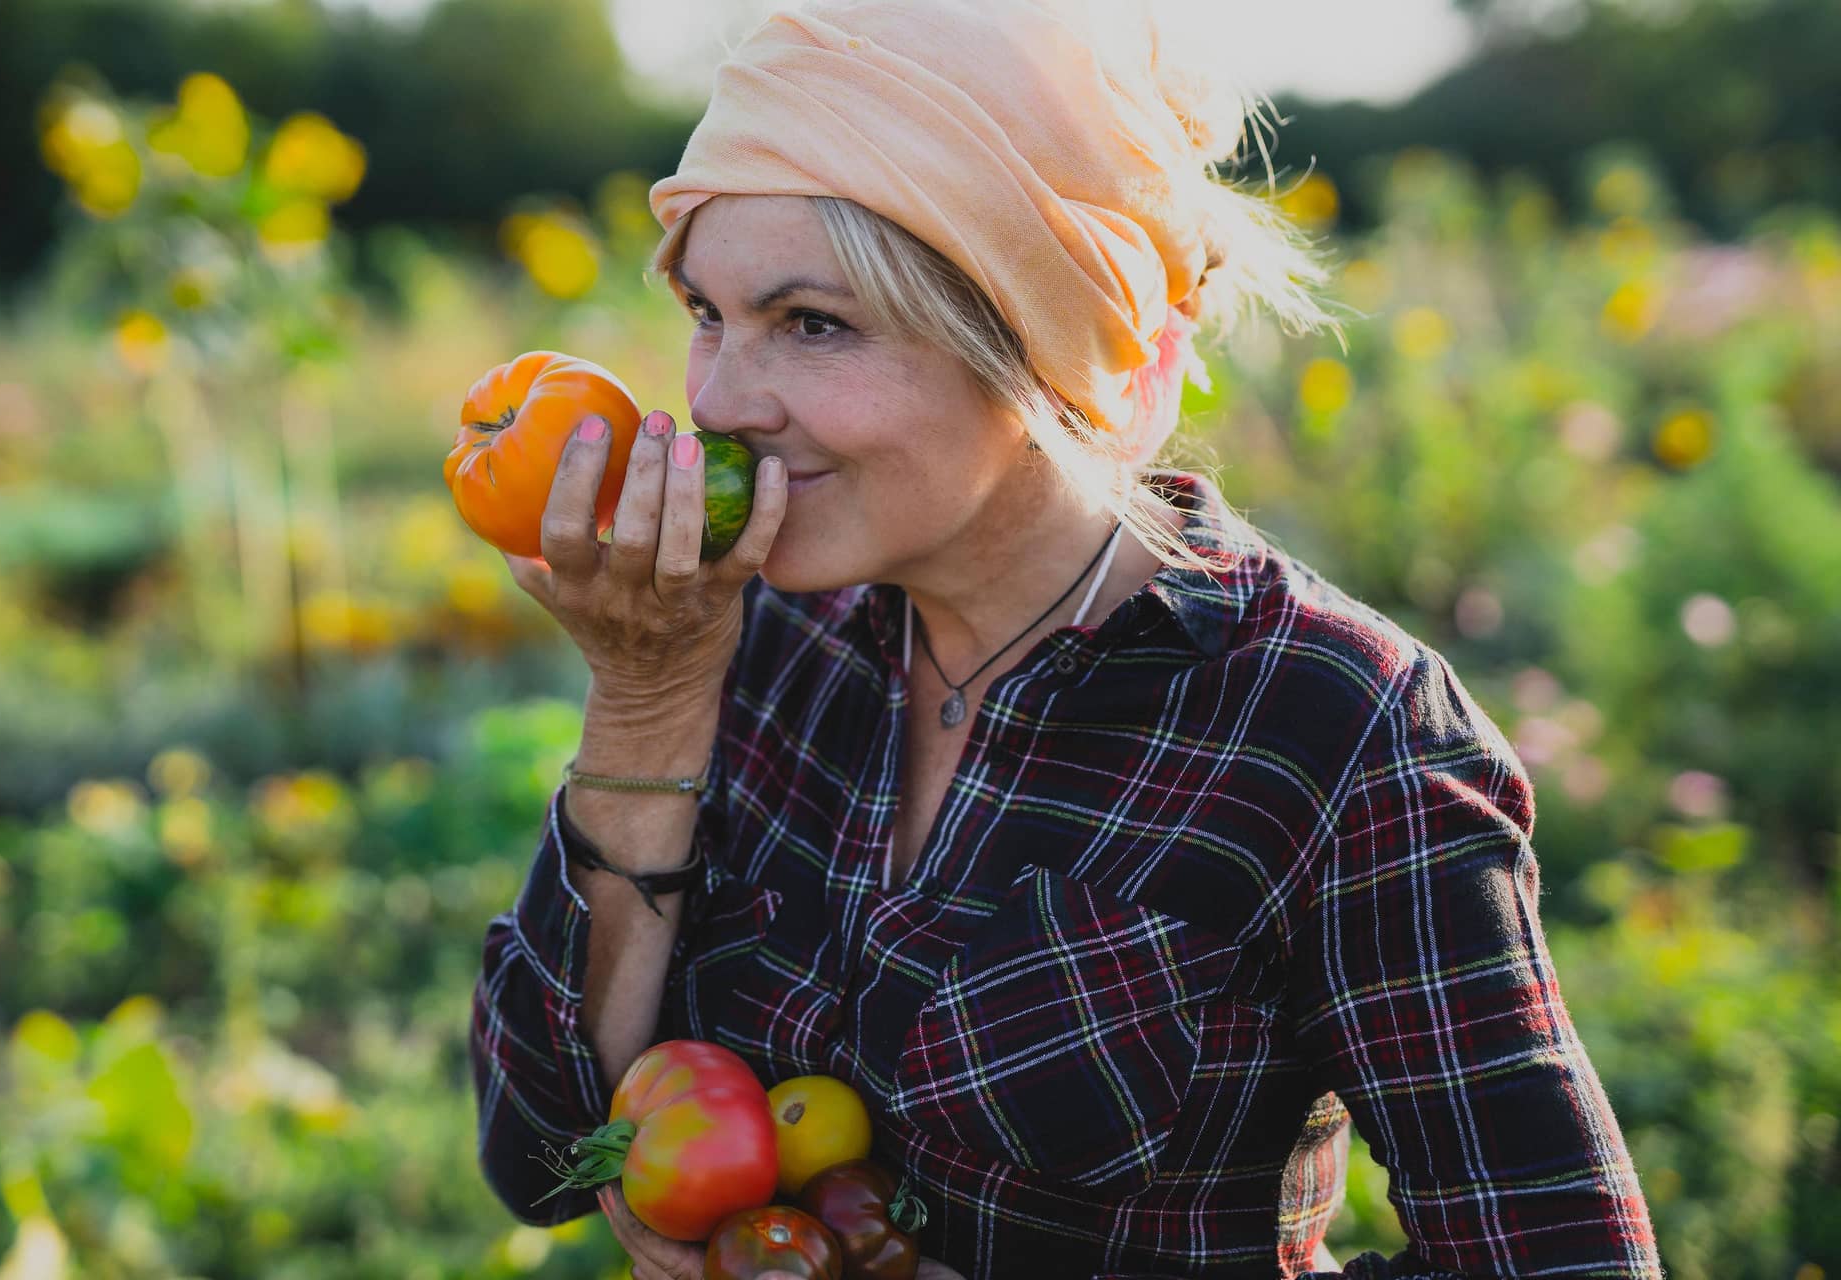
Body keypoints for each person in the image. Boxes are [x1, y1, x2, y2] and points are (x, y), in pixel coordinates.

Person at [467, 1, 1662, 1276]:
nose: (713, 400)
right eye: (707, 312)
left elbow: (1561, 1258)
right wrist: (645, 702)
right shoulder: (750, 631)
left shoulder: (1329, 725)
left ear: (1033, 343)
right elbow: (535, 1152)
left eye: (810, 323)